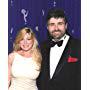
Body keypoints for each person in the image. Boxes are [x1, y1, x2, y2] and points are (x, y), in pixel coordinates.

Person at [37, 8, 81, 90]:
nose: (56, 28)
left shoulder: (79, 46)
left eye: (60, 23)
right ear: (47, 27)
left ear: (66, 26)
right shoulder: (42, 46)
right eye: (52, 24)